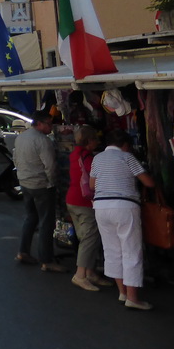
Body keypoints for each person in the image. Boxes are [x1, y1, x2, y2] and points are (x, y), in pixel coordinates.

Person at [91, 128, 156, 310]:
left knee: (112, 250)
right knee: (131, 250)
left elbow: (92, 184)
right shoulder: (127, 157)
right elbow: (148, 183)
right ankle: (133, 298)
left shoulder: (97, 158)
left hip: (101, 207)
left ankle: (122, 293)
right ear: (125, 145)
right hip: (124, 206)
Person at [12, 112, 65, 272]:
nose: (51, 128)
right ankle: (46, 260)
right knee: (46, 222)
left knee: (31, 217)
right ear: (40, 124)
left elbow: (15, 158)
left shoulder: (21, 137)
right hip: (41, 184)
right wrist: (52, 182)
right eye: (49, 124)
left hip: (25, 182)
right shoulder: (43, 141)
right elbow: (50, 165)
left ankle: (23, 251)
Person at [66, 125, 109, 291]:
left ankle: (89, 272)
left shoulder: (74, 154)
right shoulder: (89, 157)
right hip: (84, 202)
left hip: (72, 199)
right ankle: (81, 275)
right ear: (89, 140)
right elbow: (95, 180)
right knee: (89, 239)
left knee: (87, 237)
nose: (97, 142)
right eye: (95, 139)